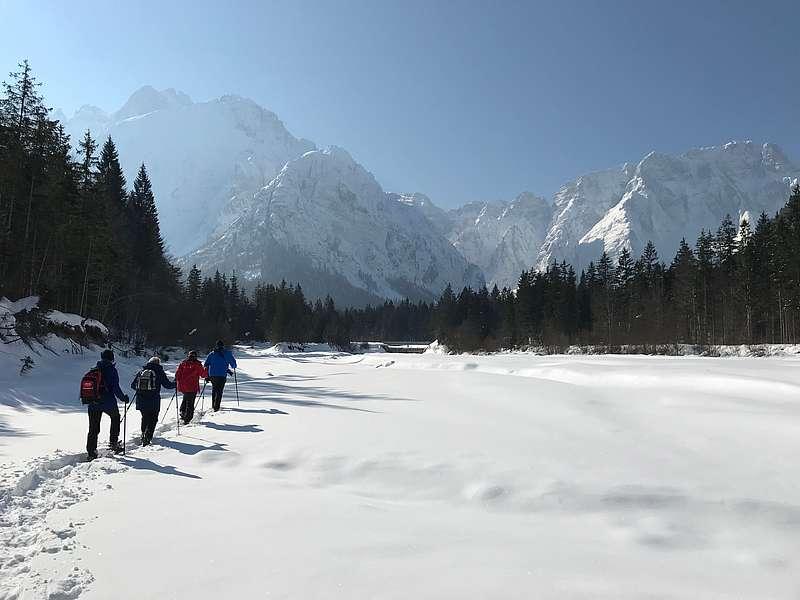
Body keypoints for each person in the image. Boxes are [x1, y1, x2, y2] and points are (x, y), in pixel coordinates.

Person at [87, 349, 129, 460]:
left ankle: (91, 451)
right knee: (115, 418)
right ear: (112, 358)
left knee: (93, 427)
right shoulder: (111, 370)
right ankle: (114, 443)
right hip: (107, 402)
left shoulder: (94, 369)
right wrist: (123, 398)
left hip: (93, 402)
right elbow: (115, 388)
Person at [131, 356, 175, 446]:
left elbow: (132, 385)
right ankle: (148, 437)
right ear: (158, 363)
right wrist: (176, 383)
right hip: (154, 400)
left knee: (145, 417)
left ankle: (143, 434)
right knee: (153, 419)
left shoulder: (142, 371)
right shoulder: (159, 371)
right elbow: (167, 385)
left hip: (141, 399)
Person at [204, 340, 237, 412]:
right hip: (222, 375)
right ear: (223, 346)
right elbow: (234, 364)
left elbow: (206, 364)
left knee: (214, 389)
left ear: (216, 346)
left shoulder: (212, 354)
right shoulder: (227, 353)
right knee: (219, 390)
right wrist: (231, 367)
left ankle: (213, 405)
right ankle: (216, 407)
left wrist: (207, 374)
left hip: (212, 375)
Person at [176, 350, 207, 424]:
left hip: (183, 386)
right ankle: (187, 418)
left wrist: (178, 381)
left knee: (186, 398)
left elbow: (177, 374)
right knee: (190, 402)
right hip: (192, 386)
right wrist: (206, 369)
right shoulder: (197, 364)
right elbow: (203, 375)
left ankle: (182, 412)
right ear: (195, 356)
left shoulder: (183, 363)